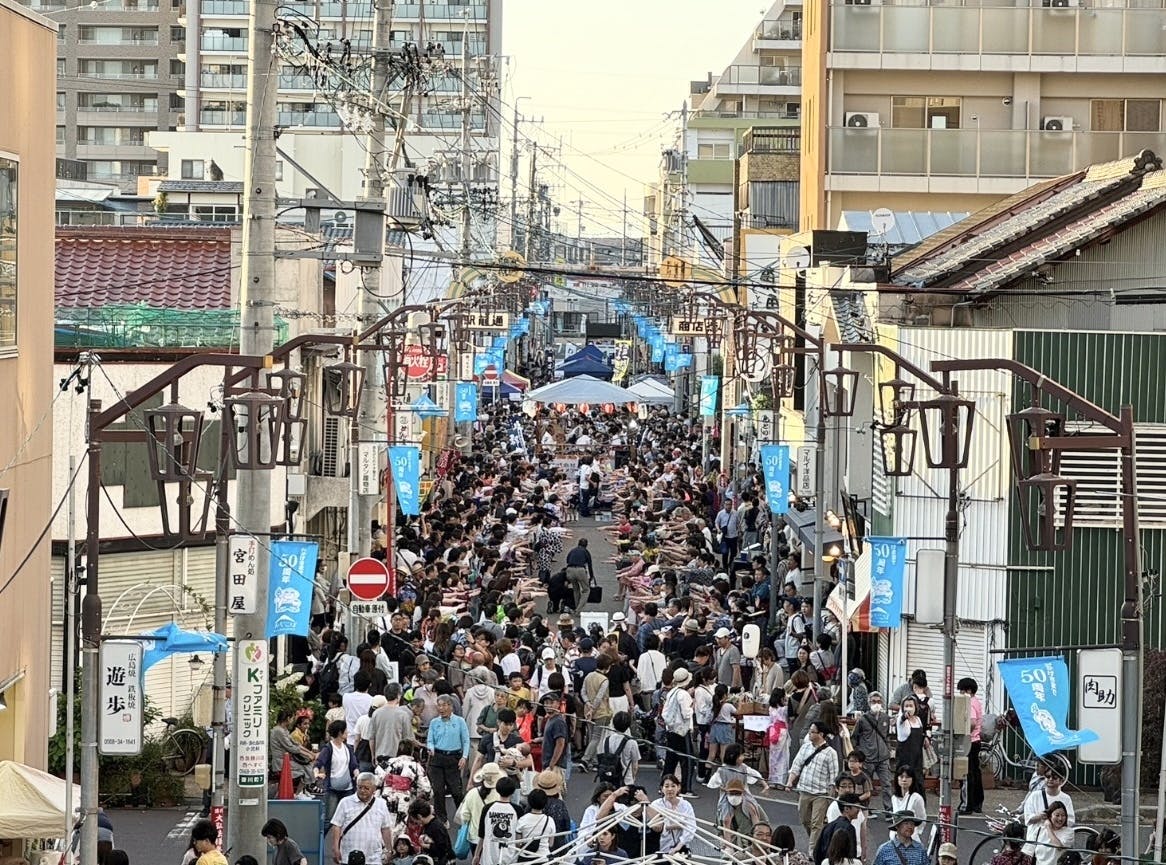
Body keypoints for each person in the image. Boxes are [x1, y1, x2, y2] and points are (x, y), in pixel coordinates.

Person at [787, 721, 841, 854]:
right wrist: (790, 782)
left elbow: (834, 777)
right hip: (804, 790)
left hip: (820, 793)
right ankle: (818, 843)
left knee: (817, 823)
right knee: (805, 820)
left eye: (812, 732)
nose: (809, 734)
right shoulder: (805, 747)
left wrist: (831, 796)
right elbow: (796, 765)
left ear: (821, 734)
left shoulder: (831, 753)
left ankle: (812, 851)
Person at [329, 773, 393, 865]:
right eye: (360, 787)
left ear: (374, 789)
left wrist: (389, 850)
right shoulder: (345, 802)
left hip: (374, 857)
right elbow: (336, 826)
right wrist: (335, 848)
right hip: (349, 856)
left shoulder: (381, 804)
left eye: (366, 788)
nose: (362, 791)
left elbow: (385, 828)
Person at [426, 694, 470, 824]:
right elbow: (430, 740)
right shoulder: (434, 722)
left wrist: (464, 757)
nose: (441, 708)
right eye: (439, 705)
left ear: (450, 706)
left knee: (456, 791)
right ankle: (442, 820)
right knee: (438, 790)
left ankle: (463, 817)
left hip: (453, 757)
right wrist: (430, 748)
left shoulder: (460, 721)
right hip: (437, 758)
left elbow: (466, 741)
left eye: (444, 705)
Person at [1023, 762, 1074, 859]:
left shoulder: (1066, 798)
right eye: (1047, 776)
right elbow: (1028, 819)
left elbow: (1070, 821)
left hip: (1056, 843)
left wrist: (1054, 821)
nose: (1050, 779)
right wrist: (1039, 817)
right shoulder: (1035, 796)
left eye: (1054, 777)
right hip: (1036, 844)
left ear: (1061, 780)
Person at [853, 692, 893, 813]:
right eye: (873, 701)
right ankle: (866, 810)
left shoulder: (886, 718)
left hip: (883, 757)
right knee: (867, 785)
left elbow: (887, 735)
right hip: (868, 758)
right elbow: (854, 737)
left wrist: (888, 750)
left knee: (887, 784)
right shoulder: (862, 719)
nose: (876, 704)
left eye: (879, 701)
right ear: (869, 703)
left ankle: (889, 811)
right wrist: (859, 753)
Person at [661, 667, 696, 797]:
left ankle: (663, 785)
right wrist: (692, 706)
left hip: (671, 729)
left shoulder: (671, 692)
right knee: (687, 761)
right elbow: (687, 714)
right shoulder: (684, 695)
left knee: (670, 760)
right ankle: (686, 788)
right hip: (682, 731)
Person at [473, 776, 520, 865]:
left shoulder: (487, 808)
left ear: (497, 789)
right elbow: (519, 836)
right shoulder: (518, 810)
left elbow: (482, 834)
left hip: (488, 857)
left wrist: (476, 855)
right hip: (510, 857)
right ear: (513, 791)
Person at [315, 719, 356, 822]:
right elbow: (318, 763)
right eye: (345, 730)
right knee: (330, 818)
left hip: (348, 788)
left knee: (349, 817)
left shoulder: (348, 748)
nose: (348, 732)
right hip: (332, 788)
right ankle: (325, 832)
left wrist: (357, 774)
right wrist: (316, 773)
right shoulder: (328, 748)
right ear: (340, 733)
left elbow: (354, 765)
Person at [646, 775, 697, 857]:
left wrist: (679, 846)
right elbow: (652, 826)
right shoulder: (656, 805)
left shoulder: (686, 805)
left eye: (673, 786)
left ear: (678, 787)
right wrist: (676, 825)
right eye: (666, 786)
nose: (670, 789)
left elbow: (691, 827)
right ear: (662, 788)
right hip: (660, 847)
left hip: (680, 849)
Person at [958, 677, 985, 815]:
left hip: (969, 740)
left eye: (962, 691)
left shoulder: (969, 703)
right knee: (975, 772)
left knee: (966, 773)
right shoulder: (977, 702)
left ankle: (967, 804)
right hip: (976, 740)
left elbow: (972, 722)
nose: (961, 694)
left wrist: (964, 732)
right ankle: (977, 803)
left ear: (968, 690)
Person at [814, 792, 861, 865]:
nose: (859, 810)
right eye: (857, 807)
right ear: (846, 808)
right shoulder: (849, 828)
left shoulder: (828, 826)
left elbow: (817, 852)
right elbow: (851, 854)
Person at [719, 778, 767, 848]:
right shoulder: (722, 809)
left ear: (743, 793)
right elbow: (719, 829)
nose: (734, 796)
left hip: (749, 843)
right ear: (726, 793)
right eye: (731, 793)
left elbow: (764, 824)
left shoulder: (752, 807)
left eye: (737, 793)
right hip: (731, 843)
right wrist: (726, 845)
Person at [514, 788, 556, 863]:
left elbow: (518, 843)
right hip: (543, 858)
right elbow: (551, 844)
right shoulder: (550, 820)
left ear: (529, 802)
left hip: (525, 858)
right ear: (545, 803)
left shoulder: (522, 820)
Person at [894, 696, 927, 784]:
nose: (908, 708)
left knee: (918, 781)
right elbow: (901, 719)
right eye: (906, 706)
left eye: (911, 706)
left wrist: (925, 738)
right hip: (905, 758)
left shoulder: (918, 719)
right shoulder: (901, 720)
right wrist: (904, 716)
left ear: (915, 707)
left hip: (917, 758)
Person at [890, 765, 927, 841]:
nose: (904, 780)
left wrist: (915, 832)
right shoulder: (894, 798)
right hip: (895, 837)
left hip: (911, 838)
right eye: (901, 777)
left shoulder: (917, 798)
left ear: (912, 779)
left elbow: (922, 818)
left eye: (907, 777)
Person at [565, 539, 595, 612]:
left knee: (576, 589)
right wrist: (591, 576)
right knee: (586, 590)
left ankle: (576, 606)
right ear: (586, 545)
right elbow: (590, 565)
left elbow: (567, 560)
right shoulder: (586, 551)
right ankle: (578, 609)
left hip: (570, 570)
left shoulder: (572, 550)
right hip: (580, 570)